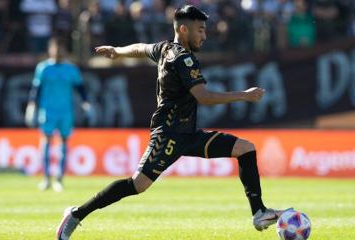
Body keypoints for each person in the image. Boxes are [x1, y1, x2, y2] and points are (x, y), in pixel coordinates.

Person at [56, 5, 289, 240]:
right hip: (168, 134)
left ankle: (259, 212)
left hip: (188, 134)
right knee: (137, 185)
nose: (204, 36)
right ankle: (76, 213)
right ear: (184, 29)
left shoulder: (165, 48)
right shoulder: (183, 59)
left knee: (245, 149)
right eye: (200, 30)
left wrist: (118, 51)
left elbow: (141, 48)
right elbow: (204, 97)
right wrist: (244, 95)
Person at [25, 37, 90, 192]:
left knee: (63, 144)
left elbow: (80, 88)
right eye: (55, 48)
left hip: (65, 111)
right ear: (50, 50)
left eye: (61, 48)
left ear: (65, 51)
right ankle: (46, 178)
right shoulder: (43, 68)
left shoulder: (71, 69)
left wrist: (86, 103)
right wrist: (31, 105)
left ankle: (59, 179)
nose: (58, 51)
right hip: (47, 111)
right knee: (46, 142)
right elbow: (36, 89)